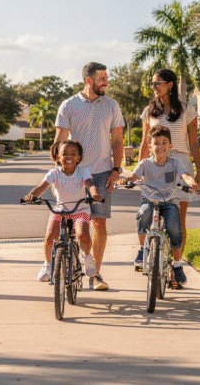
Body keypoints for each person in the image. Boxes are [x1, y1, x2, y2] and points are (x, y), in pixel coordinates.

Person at [54, 62, 124, 291]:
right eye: (101, 77)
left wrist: (116, 170)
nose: (106, 81)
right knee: (69, 219)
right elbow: (60, 142)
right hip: (75, 173)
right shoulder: (69, 105)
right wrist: (59, 171)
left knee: (99, 223)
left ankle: (95, 274)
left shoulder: (112, 105)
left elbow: (117, 141)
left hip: (103, 172)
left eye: (106, 77)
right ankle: (69, 262)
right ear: (88, 80)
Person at [137, 69, 200, 280]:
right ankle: (148, 252)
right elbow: (145, 142)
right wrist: (140, 169)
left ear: (170, 85)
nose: (153, 87)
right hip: (155, 164)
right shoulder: (149, 111)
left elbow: (194, 141)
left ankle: (176, 266)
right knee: (151, 210)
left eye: (158, 83)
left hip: (180, 164)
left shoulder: (186, 110)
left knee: (178, 218)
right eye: (152, 84)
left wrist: (199, 172)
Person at [118, 126, 200, 289]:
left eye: (164, 143)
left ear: (170, 146)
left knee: (174, 227)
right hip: (149, 198)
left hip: (170, 201)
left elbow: (186, 176)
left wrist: (193, 184)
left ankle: (176, 264)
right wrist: (125, 181)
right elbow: (133, 176)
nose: (161, 146)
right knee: (143, 214)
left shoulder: (175, 163)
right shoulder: (145, 164)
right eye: (157, 143)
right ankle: (143, 249)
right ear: (150, 147)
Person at [24, 140, 102, 282]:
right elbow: (41, 187)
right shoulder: (54, 173)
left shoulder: (83, 172)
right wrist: (32, 195)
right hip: (60, 209)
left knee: (82, 234)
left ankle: (87, 257)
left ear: (79, 157)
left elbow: (90, 184)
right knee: (49, 237)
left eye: (73, 154)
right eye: (64, 154)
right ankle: (47, 264)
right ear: (57, 156)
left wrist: (94, 194)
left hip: (80, 209)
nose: (69, 157)